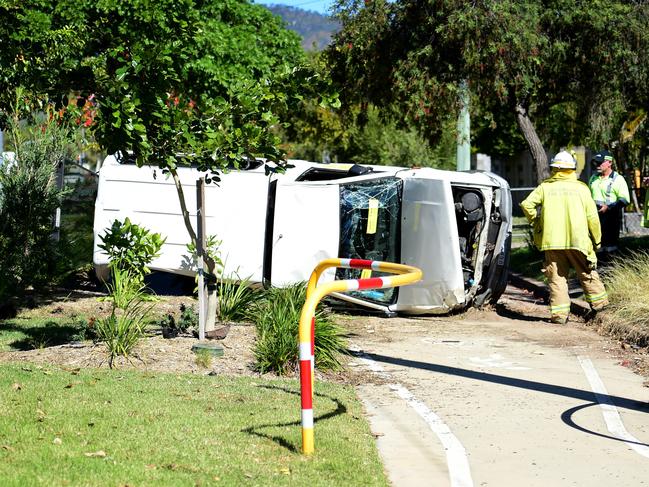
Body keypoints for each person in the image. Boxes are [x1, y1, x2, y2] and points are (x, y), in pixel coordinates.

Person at [521, 150, 608, 324]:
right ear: (572, 169)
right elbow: (593, 218)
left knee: (557, 279)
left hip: (552, 242)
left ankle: (559, 315)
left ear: (555, 168)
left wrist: (537, 221)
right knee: (586, 272)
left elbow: (527, 204)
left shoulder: (545, 187)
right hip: (579, 241)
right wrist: (597, 240)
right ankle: (600, 306)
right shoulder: (581, 189)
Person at [588, 150, 630, 255]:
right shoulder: (593, 178)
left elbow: (624, 200)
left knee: (610, 247)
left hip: (611, 218)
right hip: (595, 218)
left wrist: (608, 207)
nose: (597, 165)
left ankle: (611, 269)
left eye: (600, 162)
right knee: (597, 246)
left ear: (609, 163)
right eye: (596, 162)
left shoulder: (618, 179)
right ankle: (599, 269)